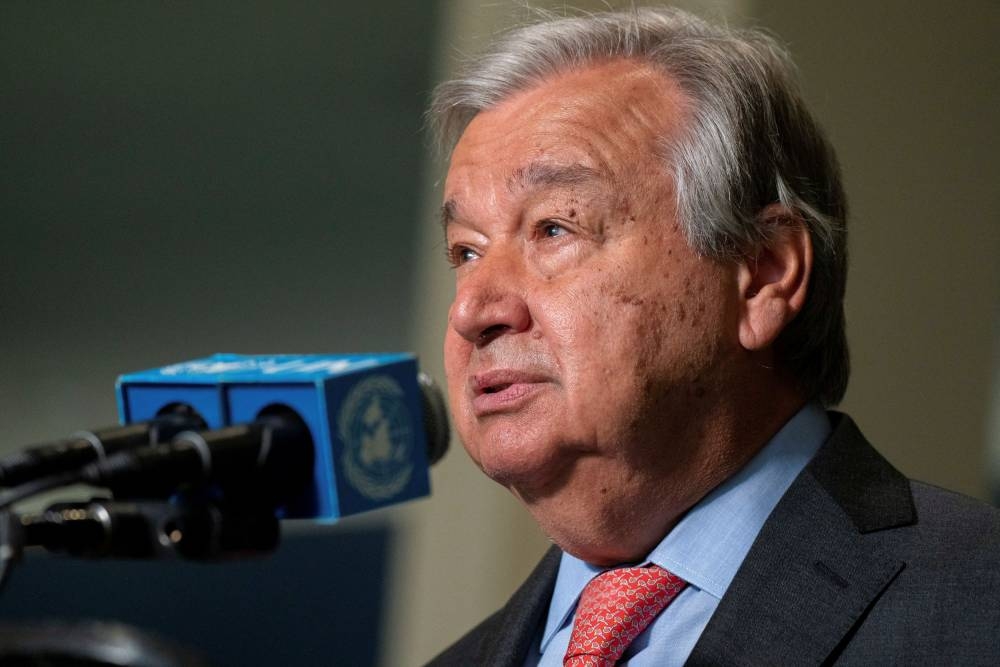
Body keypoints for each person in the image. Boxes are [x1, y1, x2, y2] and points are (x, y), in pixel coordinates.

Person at [425, 6, 1000, 666]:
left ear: (763, 274)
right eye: (465, 251)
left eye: (554, 228)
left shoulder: (976, 604)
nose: (473, 309)